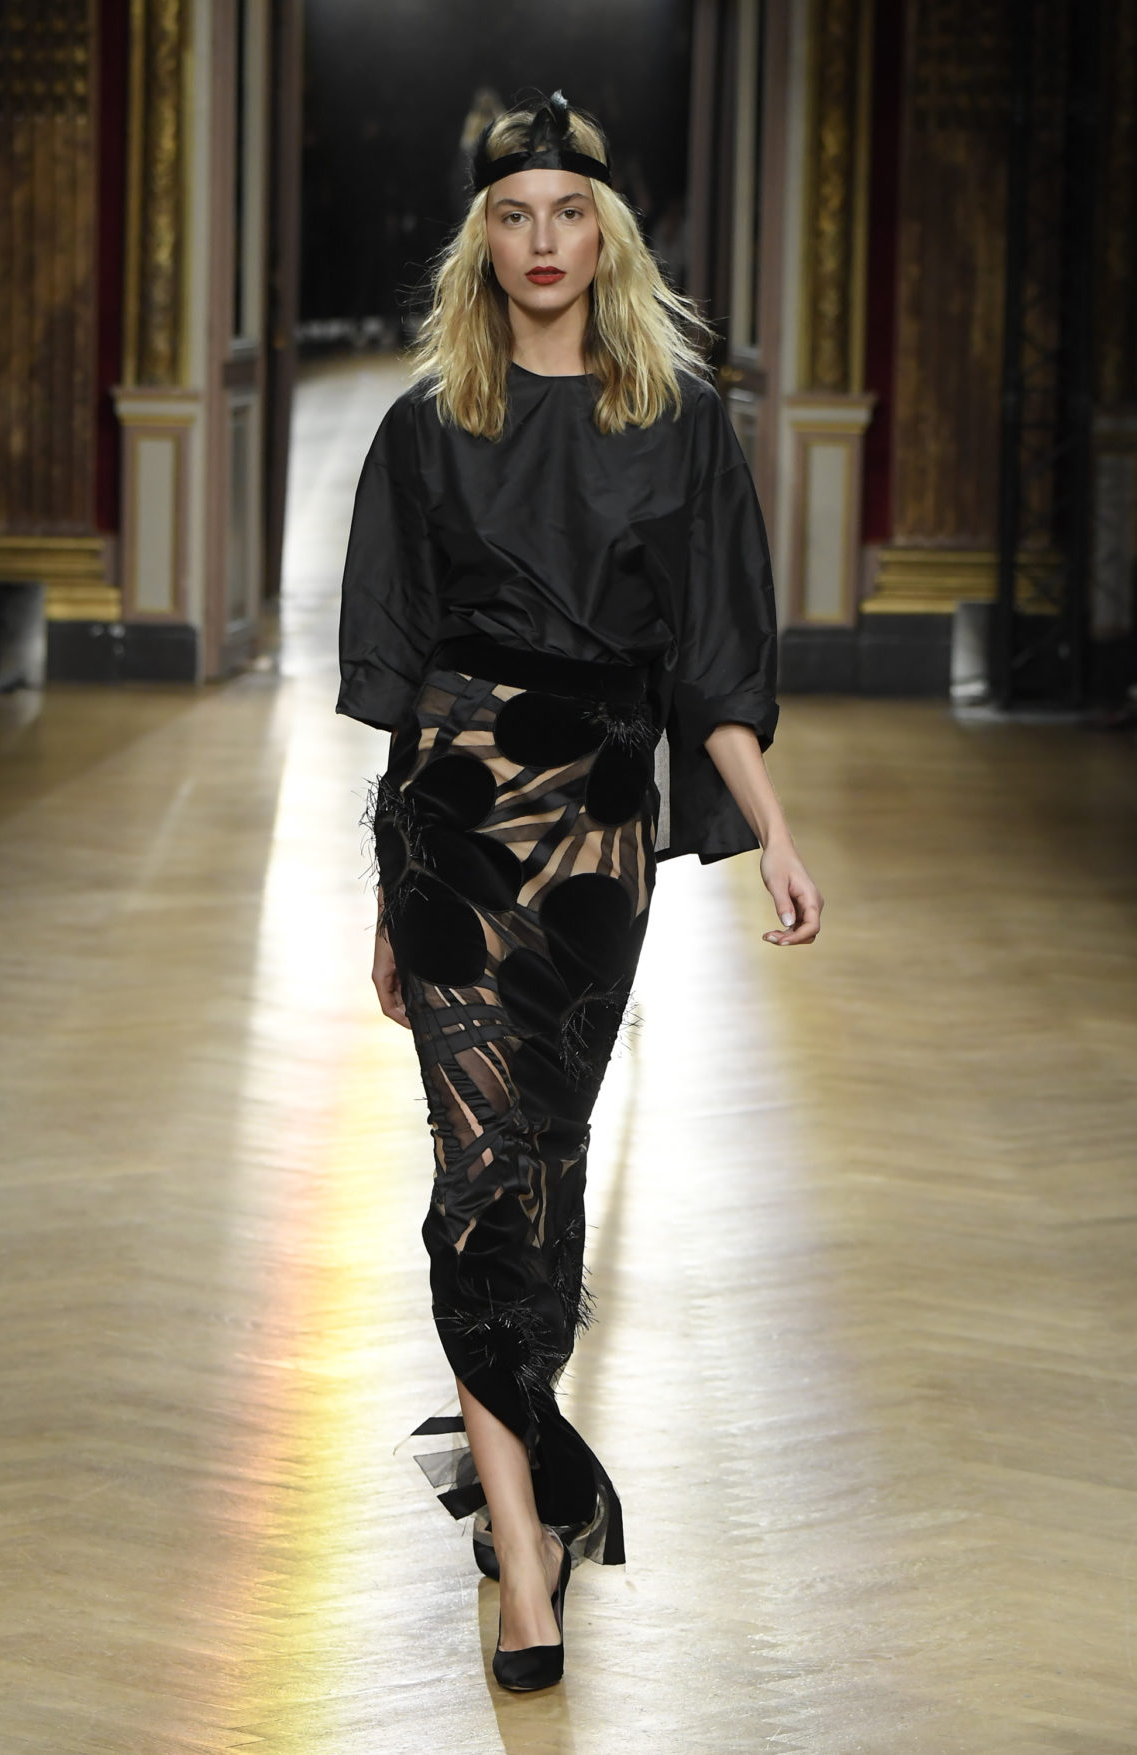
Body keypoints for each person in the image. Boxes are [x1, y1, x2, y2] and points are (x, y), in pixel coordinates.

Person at [336, 90, 823, 1693]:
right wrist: (386, 896)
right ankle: (525, 1557)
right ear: (479, 241)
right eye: (511, 215)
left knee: (543, 1160)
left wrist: (776, 833)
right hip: (455, 824)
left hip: (600, 832)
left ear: (606, 237)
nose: (539, 241)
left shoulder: (679, 423)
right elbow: (404, 681)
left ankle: (523, 1477)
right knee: (477, 1166)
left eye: (565, 214)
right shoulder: (426, 426)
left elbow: (715, 666)